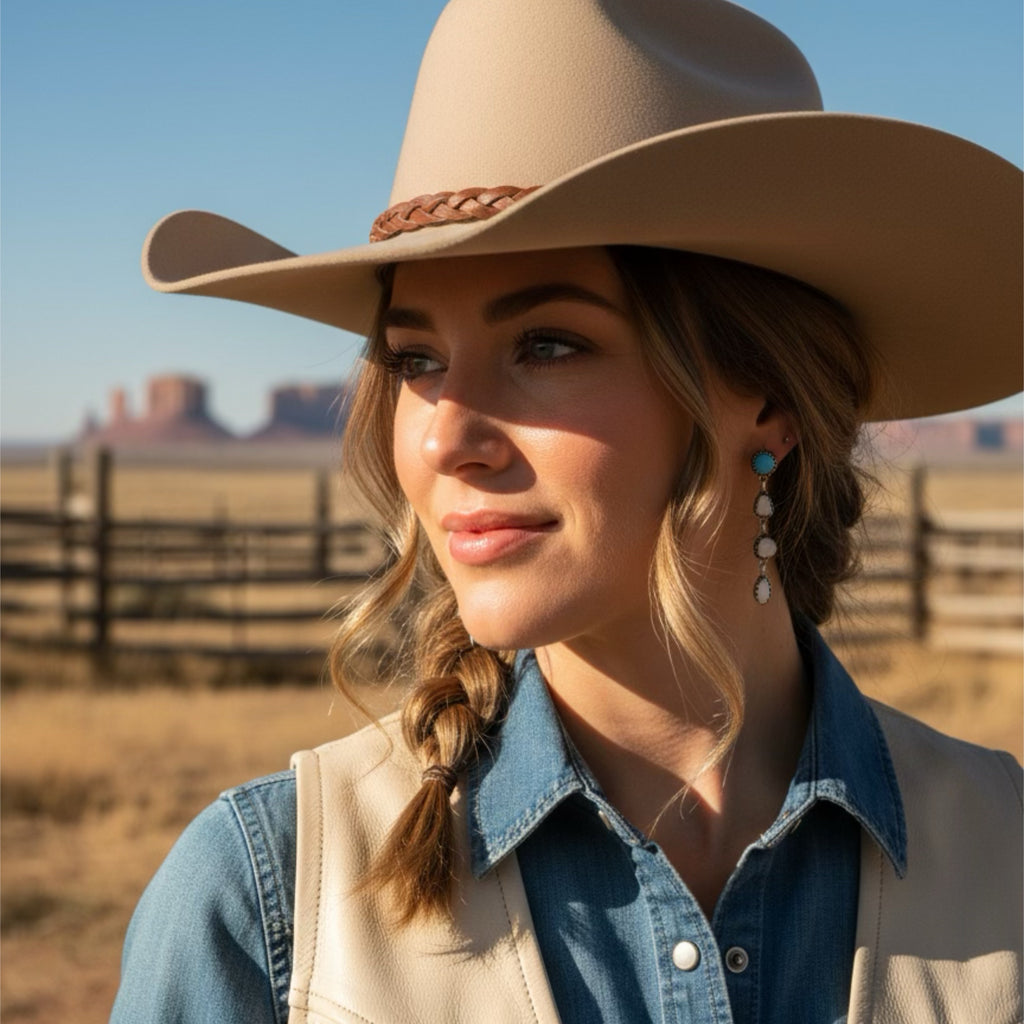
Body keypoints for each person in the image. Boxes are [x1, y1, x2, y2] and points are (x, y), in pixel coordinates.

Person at [111, 1, 1023, 1022]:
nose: (445, 437)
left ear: (762, 393)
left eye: (545, 345)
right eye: (415, 360)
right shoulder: (265, 904)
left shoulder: (1006, 856)